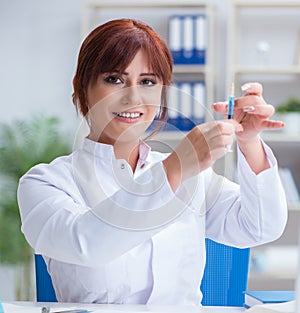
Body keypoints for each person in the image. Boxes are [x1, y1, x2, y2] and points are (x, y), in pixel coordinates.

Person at [17, 18, 287, 305]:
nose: (133, 97)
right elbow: (87, 244)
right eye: (114, 79)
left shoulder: (194, 178)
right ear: (82, 87)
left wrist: (248, 140)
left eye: (147, 82)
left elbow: (261, 226)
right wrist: (174, 169)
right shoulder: (45, 183)